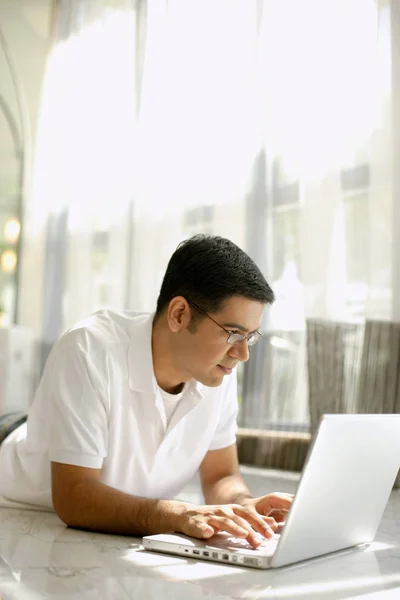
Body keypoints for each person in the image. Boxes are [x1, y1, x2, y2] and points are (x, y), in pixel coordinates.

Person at [0, 234, 293, 547]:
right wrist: (180, 514)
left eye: (250, 337)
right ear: (179, 314)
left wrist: (243, 505)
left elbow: (221, 475)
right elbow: (74, 497)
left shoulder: (217, 371)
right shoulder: (89, 348)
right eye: (234, 334)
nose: (243, 354)